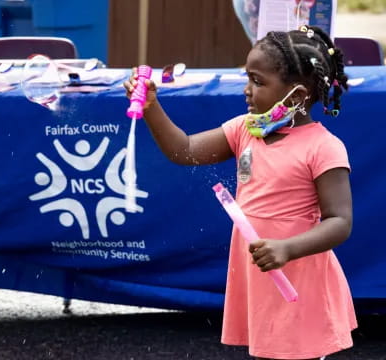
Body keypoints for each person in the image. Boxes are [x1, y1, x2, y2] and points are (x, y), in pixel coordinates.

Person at [124, 25, 357, 360]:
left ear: (298, 94)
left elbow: (340, 221)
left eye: (258, 82)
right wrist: (151, 107)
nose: (247, 90)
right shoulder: (245, 130)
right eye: (248, 78)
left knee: (296, 354)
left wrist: (287, 248)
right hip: (260, 270)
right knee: (267, 352)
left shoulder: (324, 148)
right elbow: (184, 150)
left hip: (298, 273)